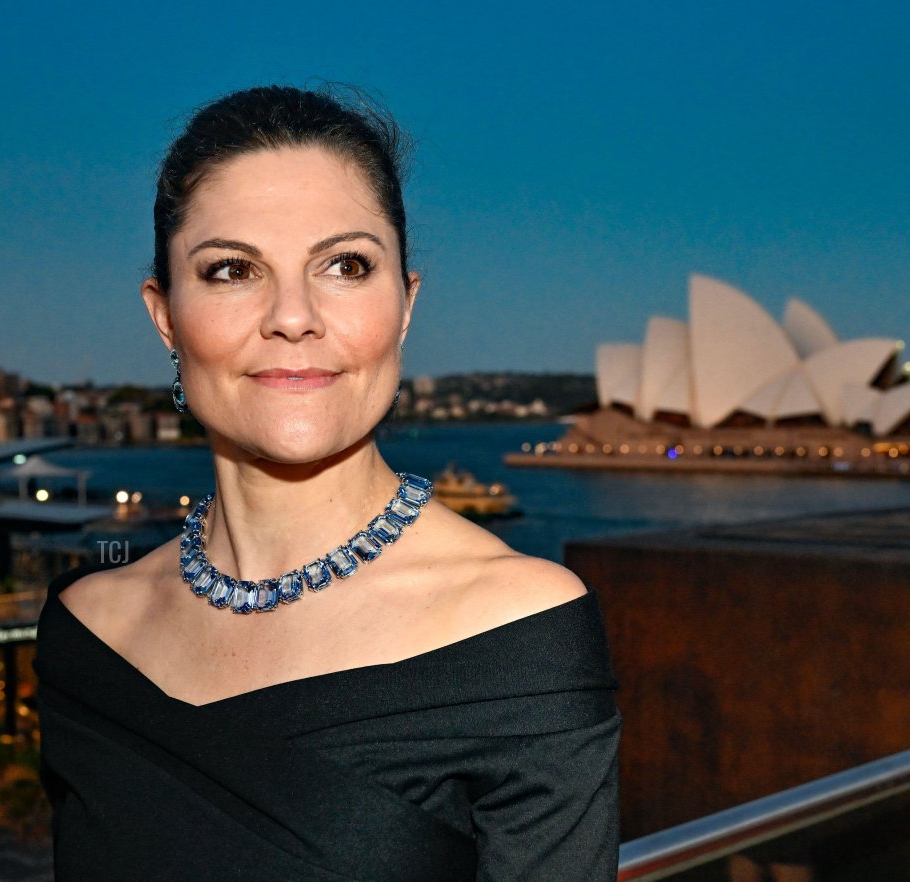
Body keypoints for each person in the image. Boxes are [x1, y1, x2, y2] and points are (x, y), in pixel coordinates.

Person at [33, 84, 621, 881]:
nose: (294, 316)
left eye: (346, 265)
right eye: (233, 270)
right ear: (165, 316)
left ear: (404, 306)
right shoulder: (88, 632)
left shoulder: (516, 633)